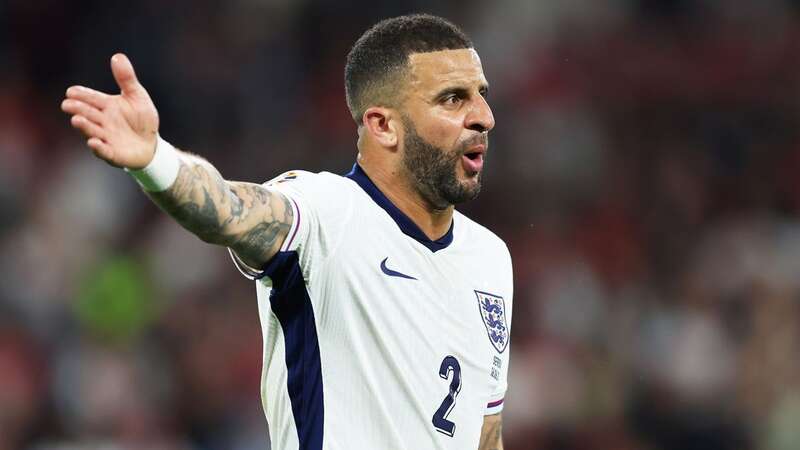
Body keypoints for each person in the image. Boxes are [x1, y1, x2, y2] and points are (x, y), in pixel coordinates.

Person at [61, 14, 512, 450]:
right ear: (383, 125)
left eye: (481, 94)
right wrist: (155, 160)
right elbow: (228, 211)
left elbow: (484, 432)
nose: (484, 116)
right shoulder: (327, 212)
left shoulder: (491, 258)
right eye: (453, 99)